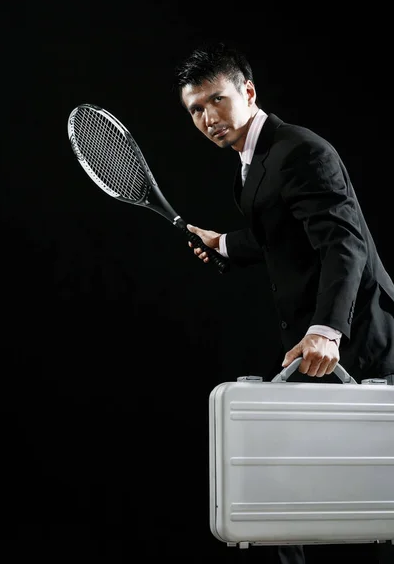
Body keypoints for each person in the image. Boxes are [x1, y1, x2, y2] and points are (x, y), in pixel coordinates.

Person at [173, 41, 394, 564]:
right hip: (312, 340)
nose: (208, 118)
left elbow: (345, 244)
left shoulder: (301, 151)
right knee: (296, 486)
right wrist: (223, 243)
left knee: (378, 487)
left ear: (247, 92)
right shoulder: (250, 165)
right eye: (195, 110)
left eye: (216, 101)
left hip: (358, 336)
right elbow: (280, 236)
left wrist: (327, 330)